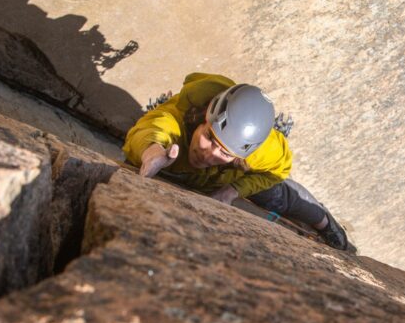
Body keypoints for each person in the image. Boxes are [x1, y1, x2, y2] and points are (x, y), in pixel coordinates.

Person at [123, 72, 350, 250]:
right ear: (203, 117)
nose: (208, 154)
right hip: (174, 164)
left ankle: (328, 225)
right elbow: (151, 130)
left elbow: (277, 171)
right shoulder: (175, 119)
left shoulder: (261, 151)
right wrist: (151, 152)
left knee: (280, 195)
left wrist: (233, 190)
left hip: (228, 176)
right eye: (209, 137)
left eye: (224, 152)